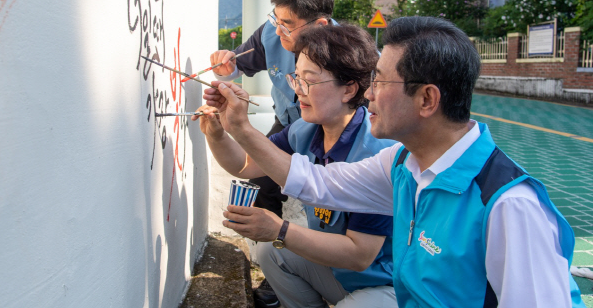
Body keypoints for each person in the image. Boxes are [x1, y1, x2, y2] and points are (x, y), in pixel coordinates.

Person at [204, 16, 586, 308]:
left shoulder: (509, 206)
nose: (368, 94)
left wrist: (242, 130)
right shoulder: (402, 164)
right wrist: (232, 129)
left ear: (426, 100)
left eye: (381, 82)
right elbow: (316, 183)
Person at [195, 24, 396, 308]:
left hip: (383, 283)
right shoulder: (304, 130)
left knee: (280, 242)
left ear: (349, 89)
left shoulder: (376, 152)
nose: (298, 91)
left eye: (309, 82)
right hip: (340, 271)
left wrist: (281, 229)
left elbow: (359, 255)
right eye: (295, 78)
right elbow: (246, 165)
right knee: (271, 254)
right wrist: (218, 132)